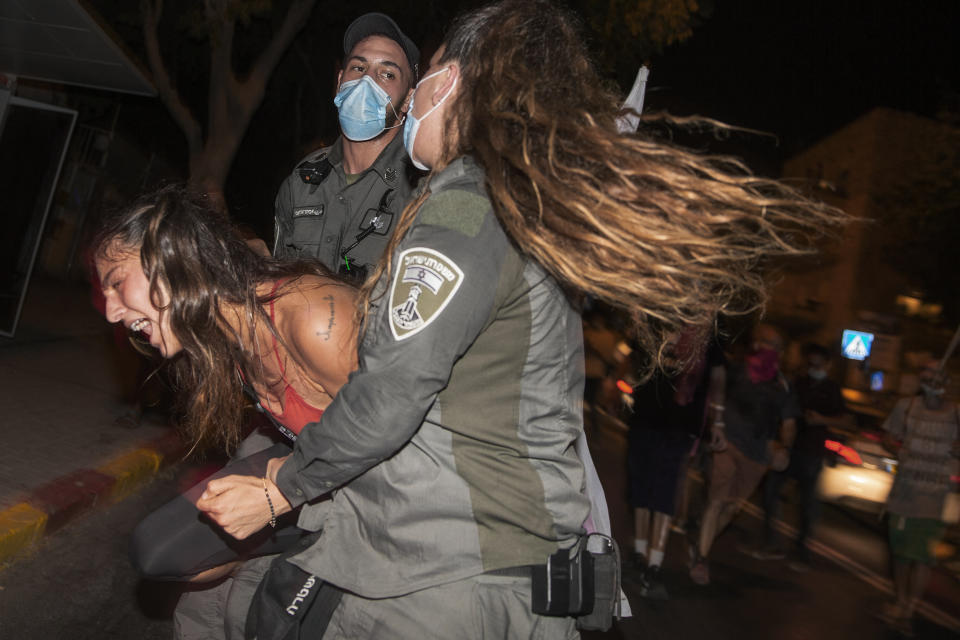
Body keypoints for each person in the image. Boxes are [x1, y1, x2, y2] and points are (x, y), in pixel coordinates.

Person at [122, 1, 843, 635]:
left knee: (235, 606)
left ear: (455, 81)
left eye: (425, 72)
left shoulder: (464, 209)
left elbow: (390, 390)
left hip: (458, 577)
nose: (411, 99)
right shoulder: (494, 203)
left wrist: (280, 488)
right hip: (446, 544)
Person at [91, 185, 358, 639]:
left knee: (263, 620)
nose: (112, 311)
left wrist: (278, 497)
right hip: (315, 471)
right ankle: (270, 553)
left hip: (374, 493)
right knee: (159, 552)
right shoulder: (223, 334)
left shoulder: (313, 318)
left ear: (174, 257)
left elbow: (405, 438)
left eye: (117, 283)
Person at [272, 12, 421, 283]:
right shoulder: (301, 183)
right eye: (358, 68)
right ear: (340, 80)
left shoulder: (422, 187)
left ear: (408, 99)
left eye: (387, 73)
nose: (367, 81)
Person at [690, 324, 800, 585]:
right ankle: (701, 559)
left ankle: (700, 545)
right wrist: (714, 426)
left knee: (731, 507)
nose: (766, 348)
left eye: (773, 345)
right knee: (717, 501)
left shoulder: (783, 386)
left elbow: (789, 423)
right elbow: (714, 394)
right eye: (763, 342)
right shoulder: (736, 370)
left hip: (758, 455)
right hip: (727, 444)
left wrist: (784, 447)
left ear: (780, 352)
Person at [625, 328, 725, 599]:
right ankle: (639, 553)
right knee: (641, 487)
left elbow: (717, 377)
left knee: (666, 491)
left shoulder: (710, 332)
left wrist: (718, 421)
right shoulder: (655, 315)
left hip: (682, 424)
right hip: (645, 416)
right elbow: (633, 355)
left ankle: (655, 563)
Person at [878, 360, 959, 637]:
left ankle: (909, 608)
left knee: (922, 557)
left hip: (935, 498)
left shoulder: (956, 414)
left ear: (946, 381)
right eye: (926, 373)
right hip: (904, 493)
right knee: (900, 554)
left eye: (937, 375)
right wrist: (897, 447)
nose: (930, 379)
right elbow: (888, 438)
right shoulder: (906, 406)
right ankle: (900, 599)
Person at [759, 342, 850, 571]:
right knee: (770, 493)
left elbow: (848, 420)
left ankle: (802, 550)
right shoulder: (796, 383)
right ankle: (771, 542)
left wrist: (822, 420)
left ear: (828, 364)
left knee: (808, 504)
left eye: (818, 363)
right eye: (811, 362)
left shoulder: (832, 389)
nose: (814, 366)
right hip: (789, 448)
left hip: (812, 452)